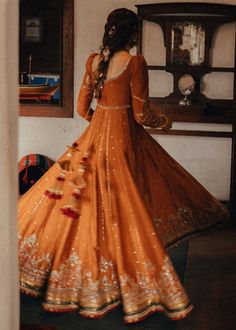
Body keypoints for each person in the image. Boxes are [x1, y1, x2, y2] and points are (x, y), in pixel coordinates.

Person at [18, 8, 228, 324]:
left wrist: (99, 124)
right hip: (123, 139)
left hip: (94, 137)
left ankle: (74, 270)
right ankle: (119, 273)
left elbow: (80, 107)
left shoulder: (93, 61)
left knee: (82, 204)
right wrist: (165, 121)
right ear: (133, 35)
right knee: (126, 203)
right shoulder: (134, 62)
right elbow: (142, 115)